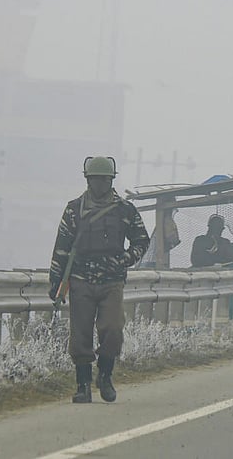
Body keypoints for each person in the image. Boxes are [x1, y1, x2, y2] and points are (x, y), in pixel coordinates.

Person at [48, 156, 150, 403]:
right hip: (81, 278)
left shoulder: (125, 210)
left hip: (112, 280)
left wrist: (127, 258)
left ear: (111, 180)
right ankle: (82, 385)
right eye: (95, 180)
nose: (100, 184)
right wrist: (56, 282)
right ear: (87, 180)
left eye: (104, 180)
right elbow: (62, 246)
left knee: (113, 329)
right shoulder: (74, 209)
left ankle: (105, 375)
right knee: (80, 334)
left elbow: (141, 240)